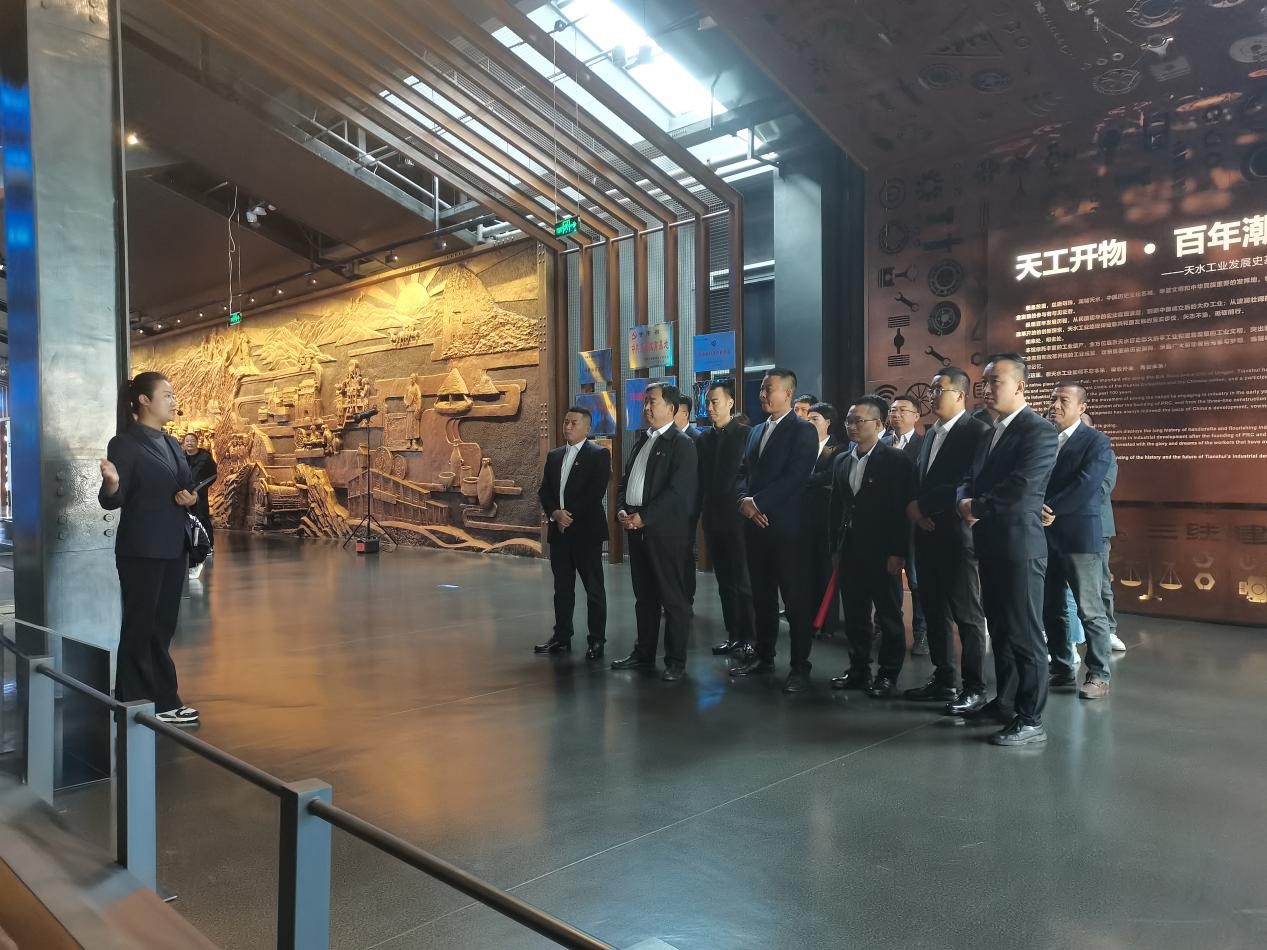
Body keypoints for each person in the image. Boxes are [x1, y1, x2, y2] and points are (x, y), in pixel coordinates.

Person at [957, 354, 1058, 747]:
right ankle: (1006, 702)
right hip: (990, 544)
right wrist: (963, 501)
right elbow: (969, 477)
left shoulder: (1039, 431)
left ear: (1020, 386)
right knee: (999, 629)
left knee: (1025, 633)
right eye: (984, 381)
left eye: (995, 381)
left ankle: (1031, 718)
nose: (986, 388)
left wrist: (977, 507)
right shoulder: (989, 431)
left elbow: (1023, 485)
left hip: (1020, 547)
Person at [99, 372, 201, 726]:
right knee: (140, 627)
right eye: (167, 395)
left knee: (162, 627)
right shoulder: (124, 444)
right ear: (144, 400)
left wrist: (190, 497)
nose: (174, 401)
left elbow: (188, 486)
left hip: (173, 546)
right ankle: (140, 703)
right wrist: (112, 484)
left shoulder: (171, 443)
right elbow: (112, 500)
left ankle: (159, 699)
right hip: (141, 548)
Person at [902, 369, 990, 711]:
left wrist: (923, 505)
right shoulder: (930, 433)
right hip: (926, 533)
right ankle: (944, 678)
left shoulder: (976, 432)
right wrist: (916, 508)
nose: (932, 395)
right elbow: (919, 478)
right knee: (933, 608)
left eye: (939, 389)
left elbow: (967, 481)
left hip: (956, 533)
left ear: (961, 395)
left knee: (966, 613)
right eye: (931, 389)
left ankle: (974, 685)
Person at [731, 370, 820, 692]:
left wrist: (758, 503)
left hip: (787, 529)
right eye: (762, 389)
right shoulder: (755, 431)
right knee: (762, 596)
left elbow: (796, 476)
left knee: (795, 601)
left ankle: (800, 666)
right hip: (755, 527)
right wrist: (743, 500)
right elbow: (742, 472)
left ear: (788, 393)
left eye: (769, 389)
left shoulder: (803, 430)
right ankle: (764, 656)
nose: (763, 395)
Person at [828, 396, 913, 698]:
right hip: (850, 549)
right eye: (848, 421)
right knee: (855, 614)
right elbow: (836, 509)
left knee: (888, 616)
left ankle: (888, 674)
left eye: (859, 421)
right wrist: (835, 549)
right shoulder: (841, 460)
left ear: (878, 424)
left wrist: (898, 552)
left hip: (882, 551)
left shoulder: (896, 461)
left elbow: (901, 511)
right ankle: (858, 669)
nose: (852, 426)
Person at [612, 384, 698, 681]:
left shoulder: (682, 444)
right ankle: (644, 653)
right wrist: (621, 509)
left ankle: (676, 661)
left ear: (671, 409)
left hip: (665, 533)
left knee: (673, 599)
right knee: (644, 597)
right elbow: (626, 482)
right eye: (645, 402)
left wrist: (645, 517)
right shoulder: (642, 440)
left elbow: (679, 492)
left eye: (653, 402)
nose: (646, 407)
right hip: (636, 528)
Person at [1041, 383, 1116, 700]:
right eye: (1053, 399)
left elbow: (1088, 485)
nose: (1055, 405)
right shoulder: (1044, 438)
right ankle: (1061, 668)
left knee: (1090, 609)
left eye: (1064, 400)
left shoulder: (1096, 441)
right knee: (1051, 607)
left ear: (1082, 407)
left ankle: (1098, 675)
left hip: (1079, 536)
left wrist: (1050, 509)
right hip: (1045, 535)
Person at [535, 406, 611, 660]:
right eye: (566, 422)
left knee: (594, 589)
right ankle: (561, 635)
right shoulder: (554, 455)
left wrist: (568, 516)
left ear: (587, 428)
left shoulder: (599, 454)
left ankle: (596, 640)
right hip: (559, 533)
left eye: (574, 423)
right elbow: (544, 490)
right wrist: (555, 514)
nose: (567, 426)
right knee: (562, 588)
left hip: (586, 533)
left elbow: (595, 492)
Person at [697, 381, 756, 658]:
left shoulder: (746, 435)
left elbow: (751, 476)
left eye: (715, 401)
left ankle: (750, 638)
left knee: (744, 582)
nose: (710, 407)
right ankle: (733, 635)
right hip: (713, 518)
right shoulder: (703, 439)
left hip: (739, 518)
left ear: (730, 403)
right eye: (707, 402)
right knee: (724, 582)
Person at [881, 395, 928, 654]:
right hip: (886, 522)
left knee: (916, 579)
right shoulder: (882, 443)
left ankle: (921, 632)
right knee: (886, 578)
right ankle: (888, 628)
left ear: (916, 415)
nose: (896, 414)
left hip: (912, 523)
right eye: (892, 410)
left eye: (902, 410)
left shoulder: (924, 444)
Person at [805, 402, 842, 637]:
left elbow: (829, 477)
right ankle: (809, 618)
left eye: (815, 419)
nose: (810, 423)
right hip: (803, 517)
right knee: (807, 571)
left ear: (828, 422)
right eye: (808, 419)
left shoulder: (838, 448)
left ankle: (828, 623)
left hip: (825, 519)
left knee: (825, 571)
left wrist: (804, 479)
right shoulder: (802, 446)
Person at [674, 393, 702, 600]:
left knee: (685, 552)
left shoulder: (697, 439)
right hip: (667, 507)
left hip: (688, 506)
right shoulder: (664, 438)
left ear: (685, 413)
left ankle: (686, 597)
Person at [182, 434, 217, 580]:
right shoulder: (181, 456)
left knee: (202, 518)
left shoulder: (205, 457)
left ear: (197, 443)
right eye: (187, 441)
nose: (189, 443)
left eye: (192, 441)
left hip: (200, 494)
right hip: (185, 493)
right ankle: (190, 547)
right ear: (184, 443)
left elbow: (213, 474)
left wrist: (201, 487)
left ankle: (208, 546)